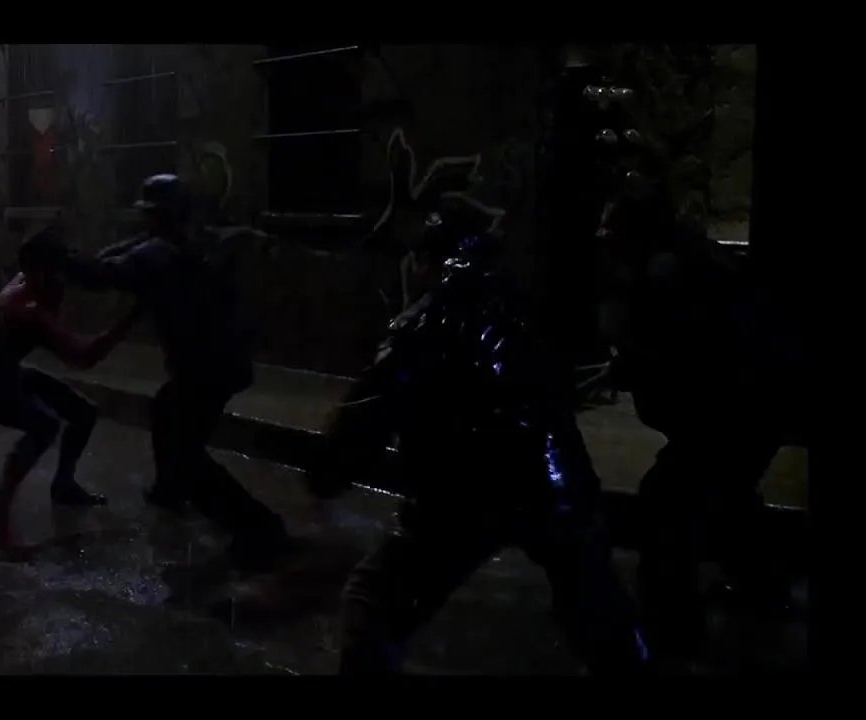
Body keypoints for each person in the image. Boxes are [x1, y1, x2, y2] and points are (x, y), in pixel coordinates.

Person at [307, 198, 653, 675]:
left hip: (465, 495)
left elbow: (366, 416)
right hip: (556, 483)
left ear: (429, 261)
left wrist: (327, 474)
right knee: (595, 602)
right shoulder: (521, 309)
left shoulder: (426, 324)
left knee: (375, 600)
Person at [595, 175, 800, 665]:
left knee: (668, 504)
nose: (603, 235)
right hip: (751, 406)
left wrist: (636, 357)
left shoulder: (670, 275)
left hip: (738, 409)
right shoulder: (686, 263)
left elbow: (696, 356)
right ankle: (763, 588)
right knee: (726, 496)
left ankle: (673, 634)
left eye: (612, 226)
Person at [44, 174, 290, 573]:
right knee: (165, 410)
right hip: (225, 362)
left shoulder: (158, 255)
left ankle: (258, 526)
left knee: (185, 453)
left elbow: (98, 274)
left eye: (151, 216)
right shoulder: (199, 240)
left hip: (204, 366)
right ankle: (169, 490)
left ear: (159, 216)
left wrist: (57, 255)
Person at [0, 232, 141, 558]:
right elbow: (84, 357)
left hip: (3, 370)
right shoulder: (27, 309)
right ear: (44, 271)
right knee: (44, 425)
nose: (66, 275)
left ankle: (64, 485)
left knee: (83, 412)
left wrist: (137, 241)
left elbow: (91, 266)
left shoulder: (32, 280)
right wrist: (131, 319)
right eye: (60, 268)